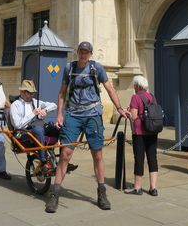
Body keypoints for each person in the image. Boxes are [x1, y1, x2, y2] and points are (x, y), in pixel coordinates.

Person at [45, 41, 129, 213]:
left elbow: (109, 88)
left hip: (92, 115)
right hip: (74, 115)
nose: (83, 55)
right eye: (80, 52)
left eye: (86, 52)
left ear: (90, 54)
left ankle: (101, 192)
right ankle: (54, 194)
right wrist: (59, 114)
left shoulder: (96, 68)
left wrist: (119, 108)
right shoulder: (69, 68)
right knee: (65, 154)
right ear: (77, 53)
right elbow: (62, 93)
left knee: (97, 154)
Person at [123, 75, 159, 196]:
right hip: (152, 131)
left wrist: (127, 112)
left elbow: (134, 116)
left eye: (134, 85)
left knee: (139, 159)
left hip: (139, 133)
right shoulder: (152, 97)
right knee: (152, 158)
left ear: (137, 86)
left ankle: (137, 187)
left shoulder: (135, 97)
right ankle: (153, 188)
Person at [10, 79, 56, 168]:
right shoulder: (15, 105)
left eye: (32, 93)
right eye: (28, 92)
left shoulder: (35, 102)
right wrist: (33, 114)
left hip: (37, 128)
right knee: (38, 130)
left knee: (57, 128)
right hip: (23, 132)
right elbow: (17, 125)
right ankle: (43, 159)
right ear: (22, 92)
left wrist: (45, 110)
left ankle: (62, 158)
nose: (30, 95)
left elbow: (54, 105)